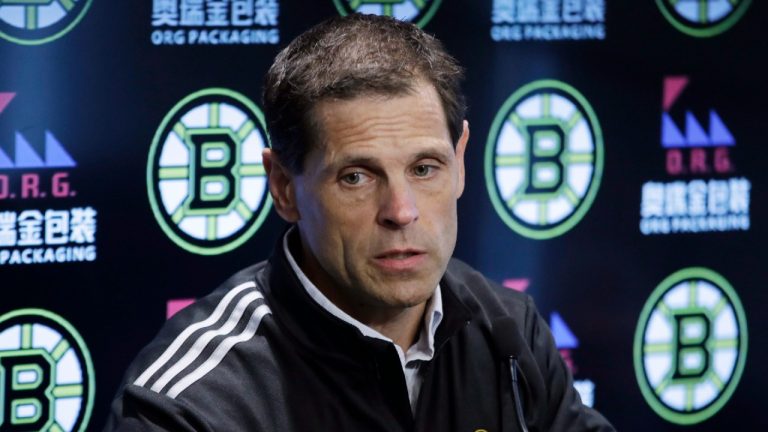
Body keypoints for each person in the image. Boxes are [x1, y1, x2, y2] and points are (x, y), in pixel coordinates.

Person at [106, 14, 614, 431]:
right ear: (283, 186)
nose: (401, 210)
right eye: (355, 177)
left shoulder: (508, 330)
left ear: (460, 161)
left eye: (424, 168)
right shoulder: (191, 406)